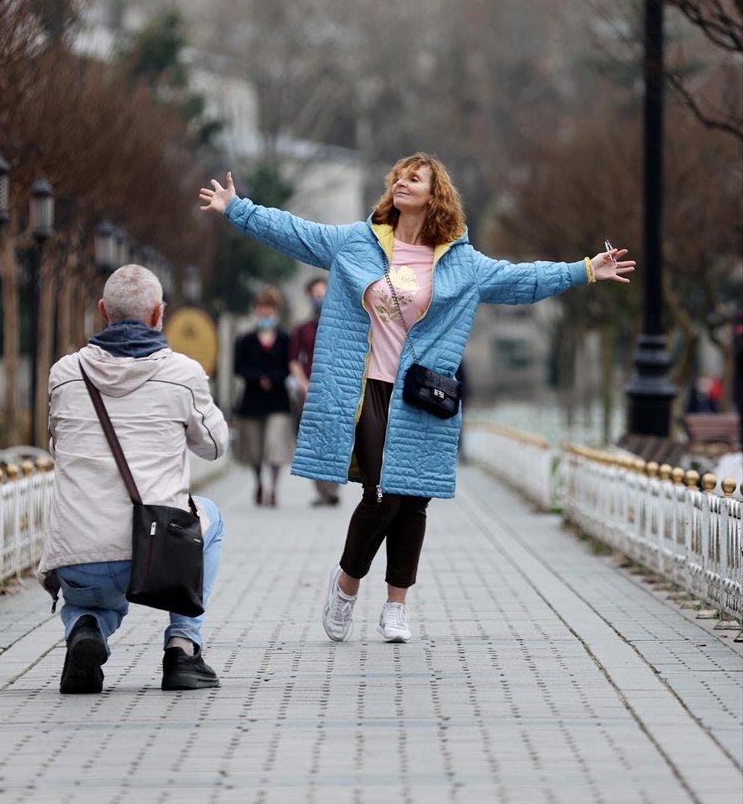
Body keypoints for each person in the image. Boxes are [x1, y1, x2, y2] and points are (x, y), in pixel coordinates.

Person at [200, 154, 635, 645]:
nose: (402, 183)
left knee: (413, 499)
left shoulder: (461, 262)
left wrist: (584, 270)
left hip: (421, 392)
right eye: (399, 177)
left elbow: (521, 281)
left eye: (415, 178)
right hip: (365, 390)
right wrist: (237, 208)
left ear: (436, 194)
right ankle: (346, 585)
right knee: (383, 490)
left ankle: (395, 606)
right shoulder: (356, 243)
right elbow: (295, 232)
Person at [37, 264, 229, 695]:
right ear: (159, 314)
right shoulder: (183, 373)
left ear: (103, 311)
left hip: (78, 556)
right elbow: (215, 447)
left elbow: (57, 446)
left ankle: (86, 629)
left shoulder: (64, 373)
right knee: (212, 517)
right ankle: (183, 648)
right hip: (156, 556)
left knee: (90, 599)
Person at [234, 287, 294, 507]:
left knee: (275, 446)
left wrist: (273, 378)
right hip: (252, 400)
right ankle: (259, 482)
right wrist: (257, 378)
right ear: (256, 310)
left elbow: (290, 366)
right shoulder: (246, 339)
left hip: (278, 400)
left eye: (269, 307)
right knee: (255, 449)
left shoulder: (285, 339)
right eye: (262, 307)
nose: (266, 311)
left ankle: (274, 489)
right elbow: (238, 367)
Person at [289, 276, 341, 507]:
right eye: (316, 294)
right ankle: (321, 489)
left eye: (324, 293)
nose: (320, 298)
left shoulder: (341, 325)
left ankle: (332, 487)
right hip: (309, 391)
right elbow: (294, 360)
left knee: (334, 439)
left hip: (336, 390)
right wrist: (304, 383)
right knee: (312, 441)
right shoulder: (301, 329)